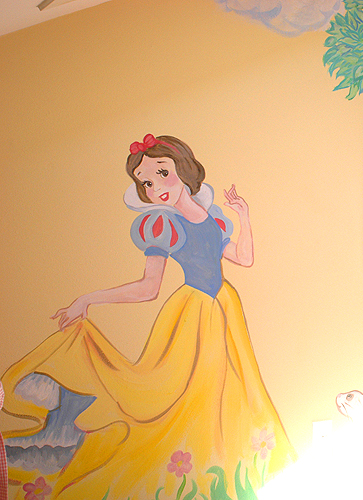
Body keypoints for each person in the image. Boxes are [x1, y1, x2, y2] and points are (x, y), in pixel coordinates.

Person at [1, 135, 295, 500]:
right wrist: (88, 299)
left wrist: (244, 215)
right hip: (193, 318)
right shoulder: (162, 226)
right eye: (146, 182)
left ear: (183, 170)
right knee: (176, 398)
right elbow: (147, 288)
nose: (156, 187)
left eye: (161, 173)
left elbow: (244, 258)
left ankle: (223, 478)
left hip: (223, 311)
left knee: (230, 395)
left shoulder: (214, 219)